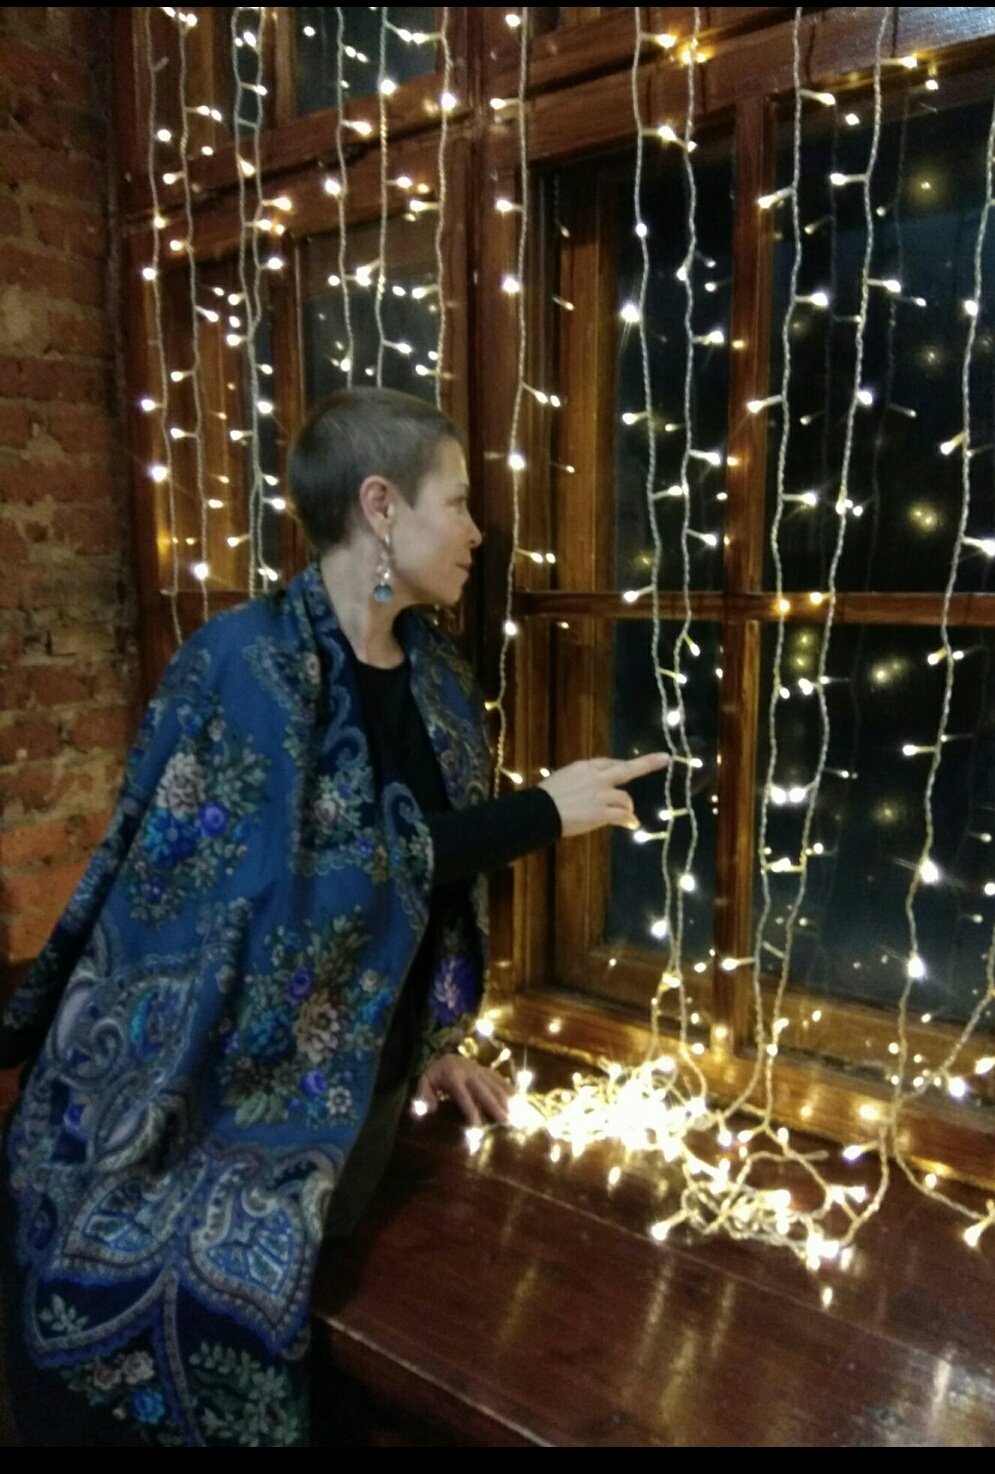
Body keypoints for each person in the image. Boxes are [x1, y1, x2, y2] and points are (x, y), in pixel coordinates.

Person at [0, 386, 668, 1447]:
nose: (478, 533)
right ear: (380, 506)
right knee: (158, 1289)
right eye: (459, 502)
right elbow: (284, 887)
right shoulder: (241, 665)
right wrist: (539, 813)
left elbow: (413, 892)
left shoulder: (439, 679)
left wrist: (431, 1040)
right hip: (215, 1081)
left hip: (371, 1084)